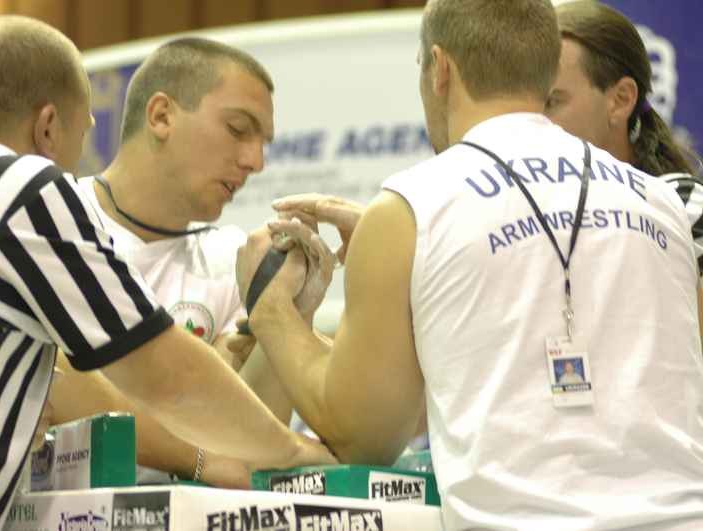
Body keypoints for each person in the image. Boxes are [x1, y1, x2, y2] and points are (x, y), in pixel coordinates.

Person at [236, 0, 703, 529]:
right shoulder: (663, 203)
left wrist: (270, 309)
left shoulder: (413, 208)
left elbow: (363, 436)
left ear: (441, 69)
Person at [0, 16, 333, 531]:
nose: (256, 161)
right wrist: (287, 452)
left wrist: (277, 322)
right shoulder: (25, 189)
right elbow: (168, 379)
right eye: (238, 130)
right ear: (45, 128)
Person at [48, 37, 306, 488]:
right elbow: (61, 388)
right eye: (238, 129)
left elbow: (247, 459)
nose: (256, 161)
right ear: (162, 115)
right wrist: (196, 421)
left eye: (263, 142)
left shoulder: (234, 257)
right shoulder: (52, 222)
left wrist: (286, 315)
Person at [544, 0, 703, 338]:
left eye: (552, 102)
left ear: (621, 99)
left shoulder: (686, 206)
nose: (534, 120)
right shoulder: (516, 208)